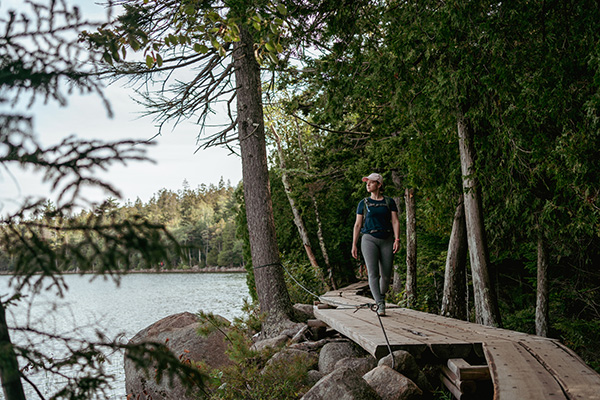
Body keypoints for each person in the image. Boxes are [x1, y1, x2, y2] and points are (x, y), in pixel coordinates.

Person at [351, 173, 401, 316]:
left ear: (379, 185)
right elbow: (357, 225)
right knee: (373, 274)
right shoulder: (363, 203)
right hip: (368, 239)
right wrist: (354, 244)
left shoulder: (389, 202)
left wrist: (397, 239)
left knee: (385, 275)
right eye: (366, 182)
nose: (367, 185)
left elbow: (395, 221)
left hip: (386, 239)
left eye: (371, 182)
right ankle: (380, 303)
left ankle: (381, 296)